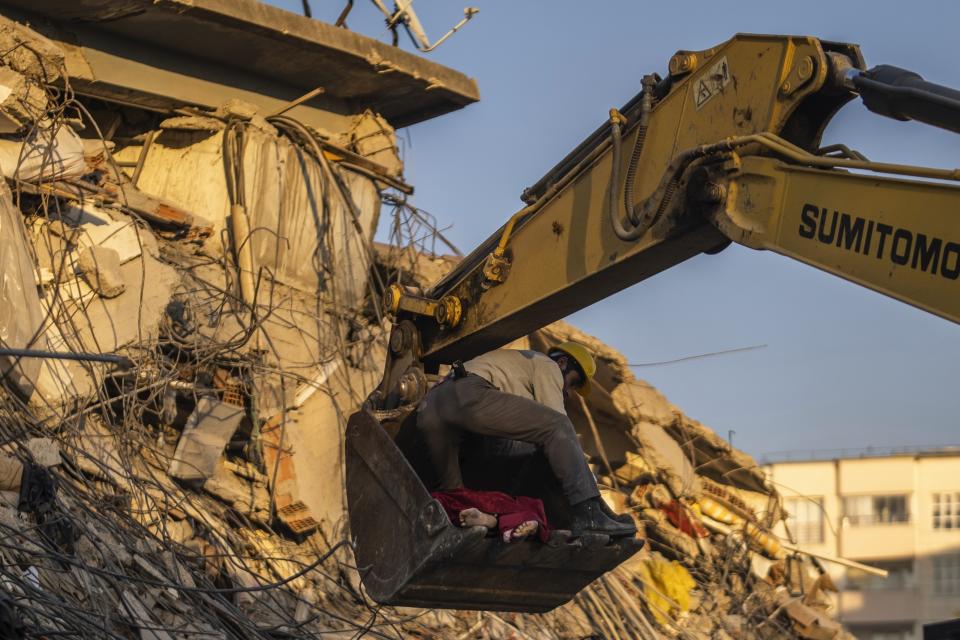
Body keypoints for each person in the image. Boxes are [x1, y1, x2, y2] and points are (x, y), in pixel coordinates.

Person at [416, 342, 636, 537]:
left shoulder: (514, 378)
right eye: (572, 383)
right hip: (465, 394)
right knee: (558, 426)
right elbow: (558, 427)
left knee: (455, 495)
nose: (568, 392)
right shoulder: (547, 366)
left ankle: (482, 524)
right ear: (562, 363)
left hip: (431, 410)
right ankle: (588, 514)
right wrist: (591, 502)